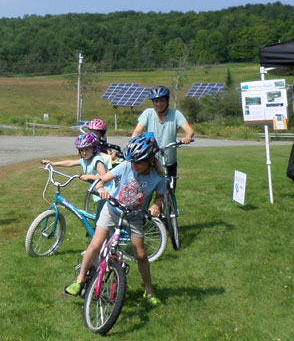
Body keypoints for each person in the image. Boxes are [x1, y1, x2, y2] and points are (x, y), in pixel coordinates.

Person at [65, 133, 164, 305]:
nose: (135, 165)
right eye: (133, 161)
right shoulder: (126, 166)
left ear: (150, 160)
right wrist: (102, 188)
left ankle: (148, 290)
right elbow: (103, 179)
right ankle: (80, 280)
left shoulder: (158, 177)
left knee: (140, 254)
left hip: (134, 217)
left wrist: (156, 206)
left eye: (139, 162)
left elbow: (160, 197)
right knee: (96, 244)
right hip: (112, 210)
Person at [41, 132, 115, 221]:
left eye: (87, 149)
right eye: (81, 150)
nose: (84, 153)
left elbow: (105, 177)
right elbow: (70, 162)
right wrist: (53, 163)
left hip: (106, 193)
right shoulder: (85, 160)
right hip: (98, 192)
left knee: (100, 221)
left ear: (94, 148)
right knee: (101, 219)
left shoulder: (97, 160)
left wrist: (89, 176)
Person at [131, 86, 194, 188]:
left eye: (161, 101)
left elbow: (189, 130)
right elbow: (137, 131)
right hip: (151, 159)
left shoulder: (176, 114)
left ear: (167, 100)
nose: (159, 104)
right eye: (156, 101)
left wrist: (187, 137)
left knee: (170, 190)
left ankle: (170, 203)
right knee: (147, 191)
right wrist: (134, 140)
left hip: (169, 161)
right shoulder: (148, 113)